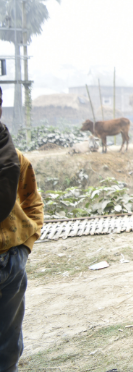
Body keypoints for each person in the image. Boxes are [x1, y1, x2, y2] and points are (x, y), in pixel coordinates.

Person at [0, 86, 43, 372]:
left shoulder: (15, 159)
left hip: (11, 262)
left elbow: (33, 202)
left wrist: (24, 247)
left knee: (8, 341)